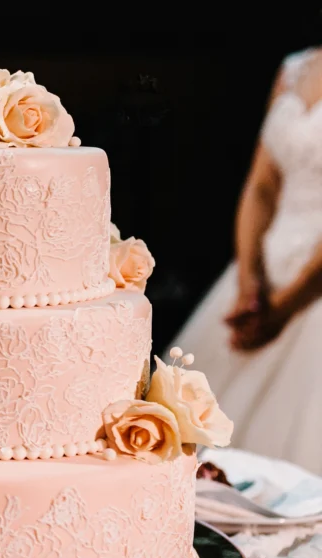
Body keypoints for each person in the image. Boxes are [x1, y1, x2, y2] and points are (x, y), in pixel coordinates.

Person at [171, 48, 322, 474]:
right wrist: (248, 282)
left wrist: (283, 308)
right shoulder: (294, 69)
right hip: (266, 265)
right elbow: (262, 184)